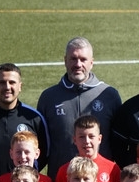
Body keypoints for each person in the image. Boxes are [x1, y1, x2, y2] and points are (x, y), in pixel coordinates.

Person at [37, 37, 122, 171]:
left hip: (101, 178)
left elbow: (118, 144)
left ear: (91, 62)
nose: (78, 64)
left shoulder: (109, 95)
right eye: (73, 59)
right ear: (65, 61)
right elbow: (41, 144)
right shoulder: (48, 97)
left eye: (83, 59)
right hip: (61, 178)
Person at [0, 63, 49, 177]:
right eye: (2, 82)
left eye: (12, 82)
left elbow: (45, 153)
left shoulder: (34, 117)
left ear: (20, 86)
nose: (7, 87)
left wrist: (26, 175)